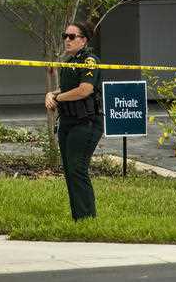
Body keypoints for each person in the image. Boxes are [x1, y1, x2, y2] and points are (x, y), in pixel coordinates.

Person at [45, 21, 103, 220]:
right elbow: (66, 89)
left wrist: (58, 98)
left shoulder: (89, 61)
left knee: (78, 168)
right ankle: (78, 217)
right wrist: (51, 94)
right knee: (70, 170)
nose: (66, 41)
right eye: (65, 36)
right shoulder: (69, 63)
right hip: (68, 122)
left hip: (86, 122)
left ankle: (87, 218)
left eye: (72, 37)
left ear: (84, 40)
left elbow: (84, 89)